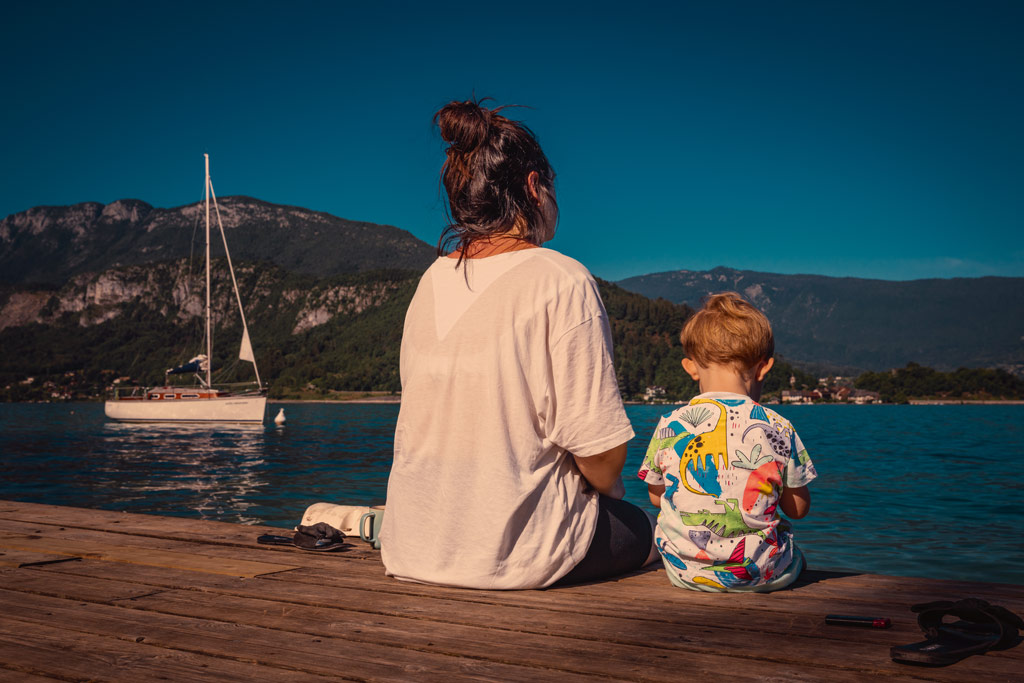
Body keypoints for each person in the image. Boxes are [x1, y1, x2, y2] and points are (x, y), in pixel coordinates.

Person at [379, 98, 656, 589]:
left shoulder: (430, 281)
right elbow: (601, 454)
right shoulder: (561, 278)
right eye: (551, 189)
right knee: (641, 525)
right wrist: (609, 491)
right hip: (512, 556)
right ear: (534, 187)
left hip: (412, 546)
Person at [638, 292, 817, 592]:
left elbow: (656, 497)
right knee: (795, 556)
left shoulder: (670, 424)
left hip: (684, 571)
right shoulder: (778, 426)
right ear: (763, 368)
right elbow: (798, 509)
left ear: (691, 366)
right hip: (759, 573)